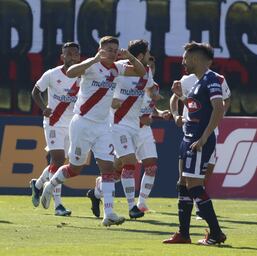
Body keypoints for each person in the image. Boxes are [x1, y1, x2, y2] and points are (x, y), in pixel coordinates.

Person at [40, 36, 146, 227]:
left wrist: (129, 55)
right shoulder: (91, 65)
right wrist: (95, 59)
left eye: (115, 49)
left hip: (103, 126)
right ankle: (51, 185)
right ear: (100, 49)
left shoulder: (118, 68)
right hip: (82, 124)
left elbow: (141, 71)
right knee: (75, 169)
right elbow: (71, 72)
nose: (113, 53)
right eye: (109, 49)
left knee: (107, 168)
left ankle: (109, 213)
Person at [86, 55, 171, 218]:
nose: (150, 69)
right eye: (148, 65)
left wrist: (159, 113)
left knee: (151, 166)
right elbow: (118, 103)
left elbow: (149, 108)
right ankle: (97, 192)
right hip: (125, 128)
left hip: (144, 131)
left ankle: (140, 203)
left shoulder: (154, 87)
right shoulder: (124, 80)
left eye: (153, 66)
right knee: (120, 169)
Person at [163, 42, 226, 245]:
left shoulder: (211, 80)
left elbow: (218, 108)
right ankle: (183, 234)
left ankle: (216, 233)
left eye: (185, 58)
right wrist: (180, 97)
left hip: (198, 141)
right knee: (183, 184)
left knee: (194, 186)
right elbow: (196, 109)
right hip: (188, 138)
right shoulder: (197, 82)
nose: (182, 61)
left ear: (195, 59)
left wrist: (204, 137)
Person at [169, 65, 231, 220]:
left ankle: (198, 212)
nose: (184, 62)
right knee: (184, 178)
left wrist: (219, 116)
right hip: (189, 133)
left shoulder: (216, 79)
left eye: (187, 58)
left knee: (205, 172)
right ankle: (192, 213)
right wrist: (176, 115)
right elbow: (175, 99)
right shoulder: (186, 80)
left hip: (209, 133)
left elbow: (226, 99)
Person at [29, 42, 81, 216]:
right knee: (58, 160)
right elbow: (35, 92)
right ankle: (58, 205)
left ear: (79, 57)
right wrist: (44, 107)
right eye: (68, 54)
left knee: (59, 163)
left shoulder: (83, 77)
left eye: (75, 54)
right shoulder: (51, 74)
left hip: (73, 123)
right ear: (62, 56)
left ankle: (37, 185)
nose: (72, 57)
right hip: (53, 122)